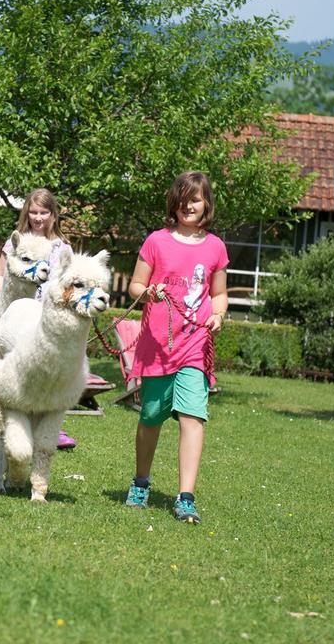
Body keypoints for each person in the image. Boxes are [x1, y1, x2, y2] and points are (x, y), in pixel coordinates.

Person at [123, 171, 228, 524]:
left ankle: (186, 497)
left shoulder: (215, 247)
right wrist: (148, 291)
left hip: (195, 342)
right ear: (174, 203)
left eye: (195, 199)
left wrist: (219, 314)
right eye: (183, 199)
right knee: (151, 416)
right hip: (157, 344)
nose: (189, 205)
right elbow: (135, 285)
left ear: (206, 204)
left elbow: (219, 294)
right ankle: (141, 482)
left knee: (193, 415)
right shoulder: (156, 241)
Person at [0, 188, 78, 451]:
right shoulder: (15, 242)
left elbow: (68, 283)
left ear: (53, 215)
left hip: (47, 319)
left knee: (48, 372)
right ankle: (9, 420)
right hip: (17, 316)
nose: (38, 217)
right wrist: (12, 296)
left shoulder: (62, 249)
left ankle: (49, 425)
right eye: (33, 212)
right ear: (26, 213)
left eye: (44, 212)